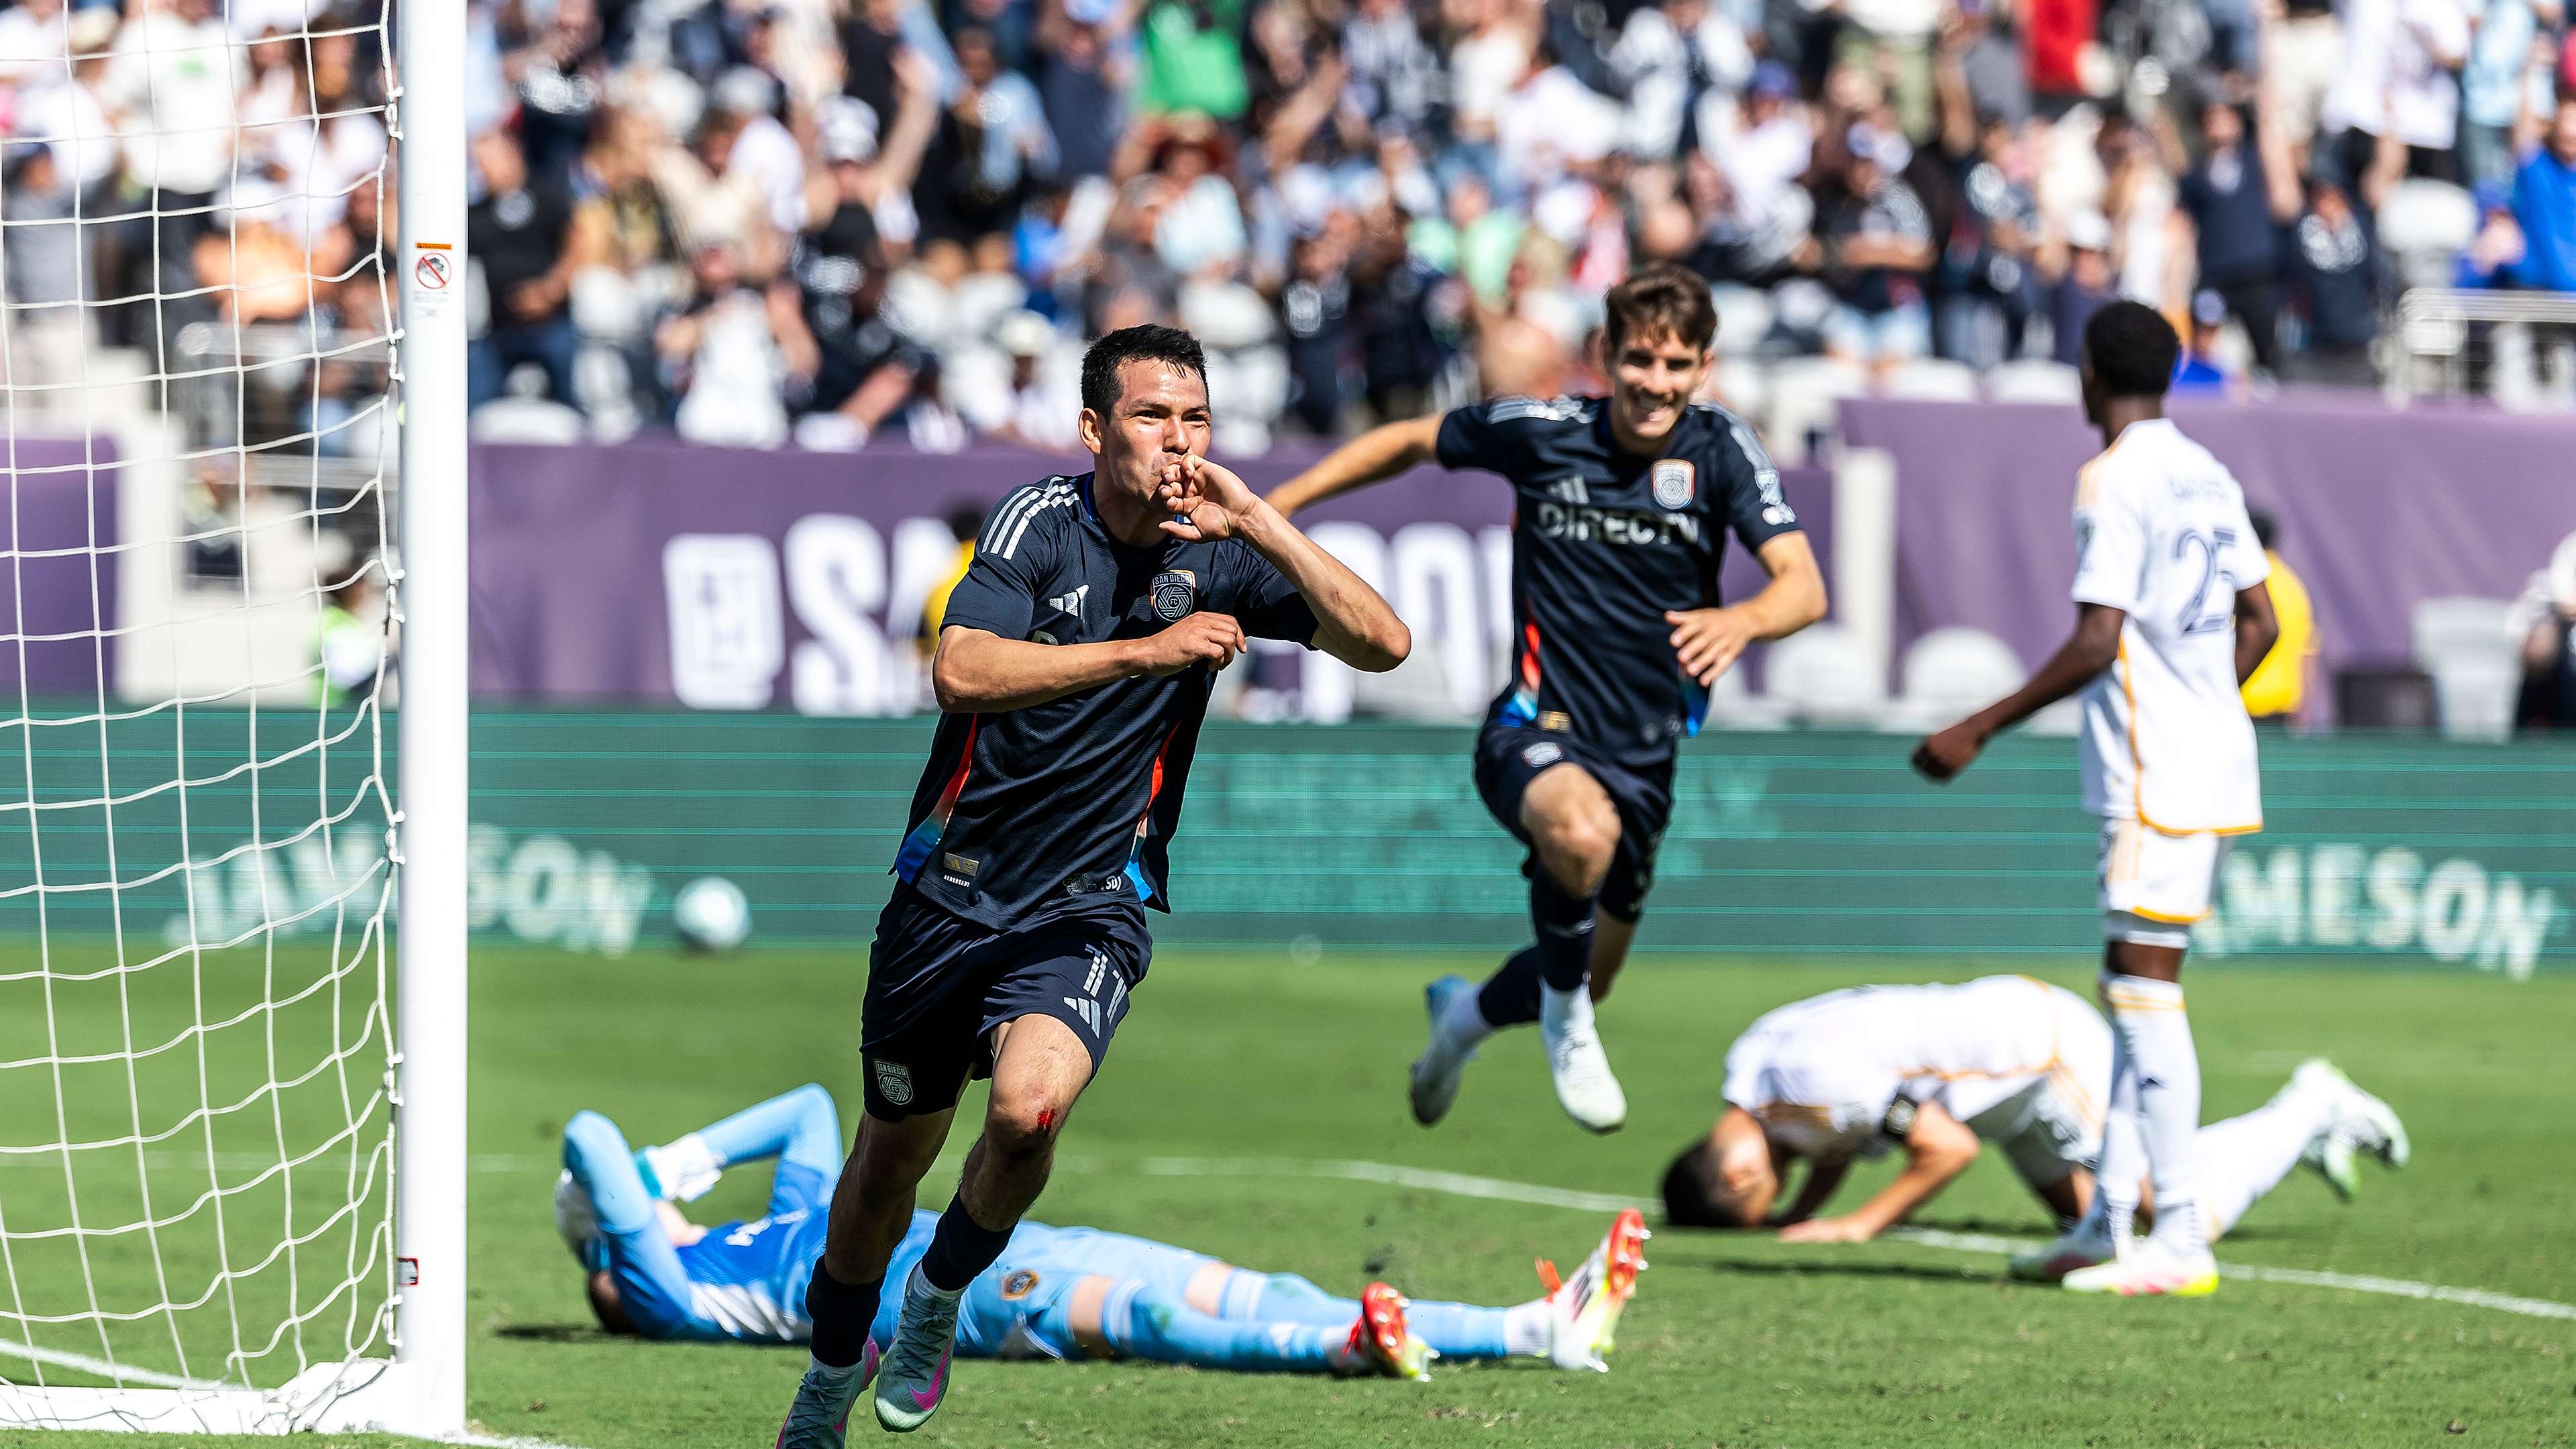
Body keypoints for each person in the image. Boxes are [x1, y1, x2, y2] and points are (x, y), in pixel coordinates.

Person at [775, 324, 1411, 1442]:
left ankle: (933, 1302)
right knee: (887, 1167)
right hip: (950, 893)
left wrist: (1259, 519)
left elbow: (1383, 643)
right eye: (1154, 415)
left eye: (1197, 417)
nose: (1180, 440)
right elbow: (961, 671)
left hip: (1089, 897)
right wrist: (1139, 654)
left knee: (1028, 1112)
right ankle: (830, 1375)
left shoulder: (1214, 548)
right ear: (1094, 429)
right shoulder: (1038, 521)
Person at [1266, 264, 1829, 1136]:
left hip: (1646, 753)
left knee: (1588, 963)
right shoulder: (1542, 429)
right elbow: (1410, 440)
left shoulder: (1721, 448)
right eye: (1640, 360)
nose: (1656, 383)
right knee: (1579, 834)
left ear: (1704, 367)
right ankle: (1569, 1027)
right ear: (1605, 354)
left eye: (1677, 365)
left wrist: (1744, 621)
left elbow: (1804, 587)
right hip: (1535, 723)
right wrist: (1283, 507)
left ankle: (1463, 1023)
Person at [1913, 301, 2281, 1298]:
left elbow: (2094, 640)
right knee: (2131, 991)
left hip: (2158, 772)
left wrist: (1975, 727)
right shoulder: (2207, 469)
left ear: (2089, 374)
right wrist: (2206, 702)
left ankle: (2184, 1236)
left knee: (2144, 994)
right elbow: (2264, 619)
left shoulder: (2114, 478)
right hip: (2203, 756)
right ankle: (2105, 1225)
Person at [554, 1086, 1648, 1376]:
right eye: (624, 1218)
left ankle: (1532, 1328)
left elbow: (802, 1106)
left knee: (1242, 1285)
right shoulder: (657, 1292)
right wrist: (646, 1190)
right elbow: (592, 1137)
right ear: (614, 1235)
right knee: (1141, 1317)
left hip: (987, 1238)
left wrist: (671, 1182)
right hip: (939, 1299)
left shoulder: (774, 1227)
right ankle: (1343, 1350)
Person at [1655, 977, 2409, 1260]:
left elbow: (1945, 1151)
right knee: (2109, 1241)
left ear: (1739, 1171)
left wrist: (1859, 1226)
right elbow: (1835, 1139)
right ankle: (2296, 1137)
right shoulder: (1752, 1069)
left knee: (2170, 1213)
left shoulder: (1808, 1085)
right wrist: (1801, 1215)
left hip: (2043, 1058)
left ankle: (2309, 1106)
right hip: (2011, 1092)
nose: (1776, 1187)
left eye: (1760, 1200)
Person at [2239, 511, 2318, 726]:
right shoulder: (2294, 586)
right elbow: (2307, 653)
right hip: (2282, 714)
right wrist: (2305, 707)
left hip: (2242, 705)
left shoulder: (2244, 584)